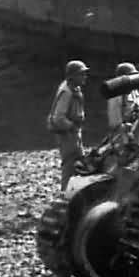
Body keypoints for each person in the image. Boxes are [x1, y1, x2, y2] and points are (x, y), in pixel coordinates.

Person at [47, 60, 89, 190]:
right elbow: (58, 117)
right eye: (81, 74)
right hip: (67, 134)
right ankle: (65, 193)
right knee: (70, 164)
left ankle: (74, 190)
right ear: (72, 77)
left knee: (80, 160)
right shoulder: (67, 92)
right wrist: (71, 127)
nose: (84, 77)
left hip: (73, 131)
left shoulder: (74, 88)